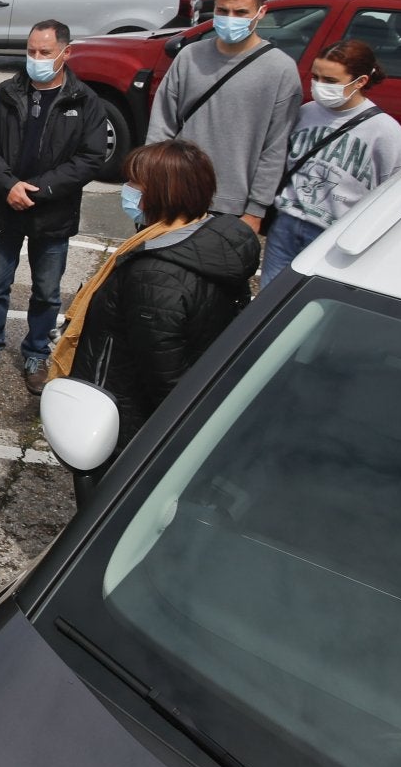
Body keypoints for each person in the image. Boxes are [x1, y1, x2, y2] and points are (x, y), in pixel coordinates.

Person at [50, 141, 257, 500]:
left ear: (161, 193)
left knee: (108, 503)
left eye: (135, 185)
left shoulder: (155, 274)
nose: (128, 192)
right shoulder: (215, 235)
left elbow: (163, 372)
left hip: (127, 419)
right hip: (174, 397)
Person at [0, 20, 109, 394]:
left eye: (45, 52)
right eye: (31, 51)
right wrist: (8, 184)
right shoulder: (6, 93)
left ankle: (35, 354)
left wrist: (40, 189)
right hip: (3, 207)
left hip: (52, 214)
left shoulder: (85, 101)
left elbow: (91, 158)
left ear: (65, 53)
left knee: (46, 291)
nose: (37, 59)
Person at [145, 0, 302, 231]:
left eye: (241, 13)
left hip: (232, 208)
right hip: (176, 194)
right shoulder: (189, 57)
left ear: (261, 12)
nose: (230, 19)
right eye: (222, 10)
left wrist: (255, 210)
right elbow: (162, 124)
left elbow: (276, 147)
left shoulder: (280, 70)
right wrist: (152, 182)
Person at [260, 40, 401, 285]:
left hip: (332, 236)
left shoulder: (385, 133)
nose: (320, 86)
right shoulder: (306, 112)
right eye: (316, 77)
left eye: (331, 81)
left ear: (361, 81)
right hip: (286, 224)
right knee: (269, 296)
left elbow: (399, 194)